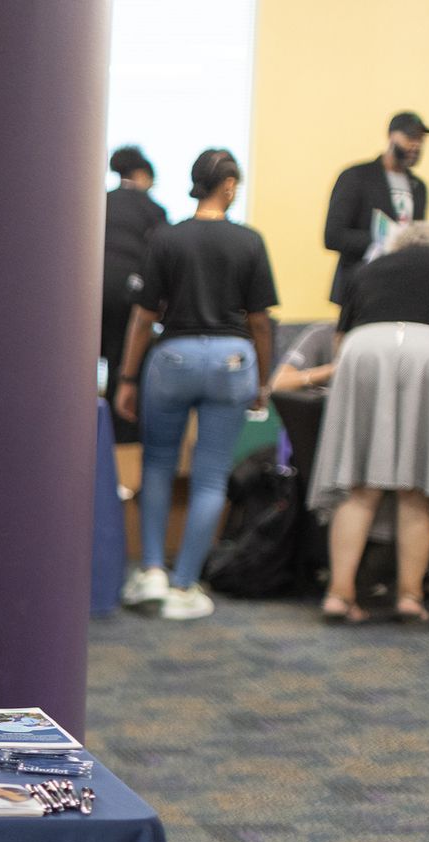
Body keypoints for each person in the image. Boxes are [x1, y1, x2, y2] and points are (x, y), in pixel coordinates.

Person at [115, 148, 277, 621]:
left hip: (174, 357)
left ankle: (150, 572)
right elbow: (261, 322)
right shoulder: (249, 241)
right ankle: (186, 584)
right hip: (231, 359)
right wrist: (263, 382)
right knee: (209, 475)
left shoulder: (167, 238)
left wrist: (126, 378)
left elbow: (144, 318)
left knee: (159, 465)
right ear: (228, 185)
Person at [309, 222, 429, 624]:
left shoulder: (369, 268)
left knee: (359, 488)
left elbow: (340, 341)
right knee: (416, 488)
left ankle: (339, 595)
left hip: (364, 349)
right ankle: (409, 596)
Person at [324, 112, 429, 310]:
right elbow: (333, 236)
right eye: (410, 137)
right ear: (391, 136)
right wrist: (386, 238)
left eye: (420, 140)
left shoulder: (419, 187)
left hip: (401, 286)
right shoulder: (356, 177)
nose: (416, 145)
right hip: (360, 285)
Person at [103, 146, 170, 442]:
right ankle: (120, 447)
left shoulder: (99, 201)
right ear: (143, 174)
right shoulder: (153, 210)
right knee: (123, 370)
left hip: (88, 299)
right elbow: (161, 262)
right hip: (128, 300)